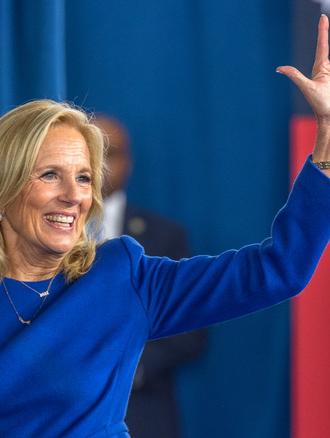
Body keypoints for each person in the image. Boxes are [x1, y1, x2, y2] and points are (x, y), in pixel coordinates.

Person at [0, 14, 330, 437]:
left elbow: (279, 270)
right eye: (50, 175)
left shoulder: (121, 275)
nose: (75, 195)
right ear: (2, 187)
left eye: (85, 178)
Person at [96, 115, 207, 438]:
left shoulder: (164, 237)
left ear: (128, 163)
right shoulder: (48, 233)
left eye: (111, 153)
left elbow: (191, 333)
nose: (101, 165)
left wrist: (124, 366)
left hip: (142, 415)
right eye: (92, 152)